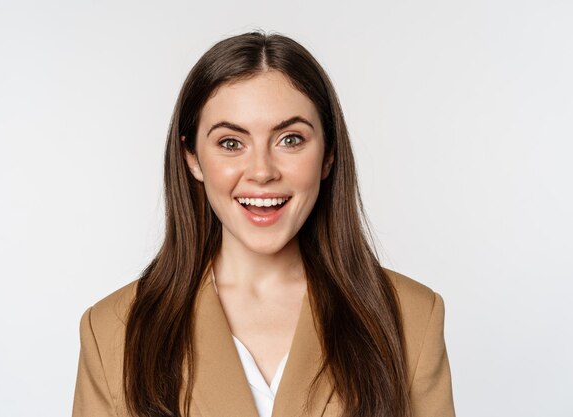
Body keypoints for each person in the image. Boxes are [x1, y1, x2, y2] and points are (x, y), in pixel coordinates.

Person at [72, 31, 455, 417]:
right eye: (230, 143)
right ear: (191, 158)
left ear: (328, 155)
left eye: (290, 139)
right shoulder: (112, 332)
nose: (261, 172)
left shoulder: (412, 319)